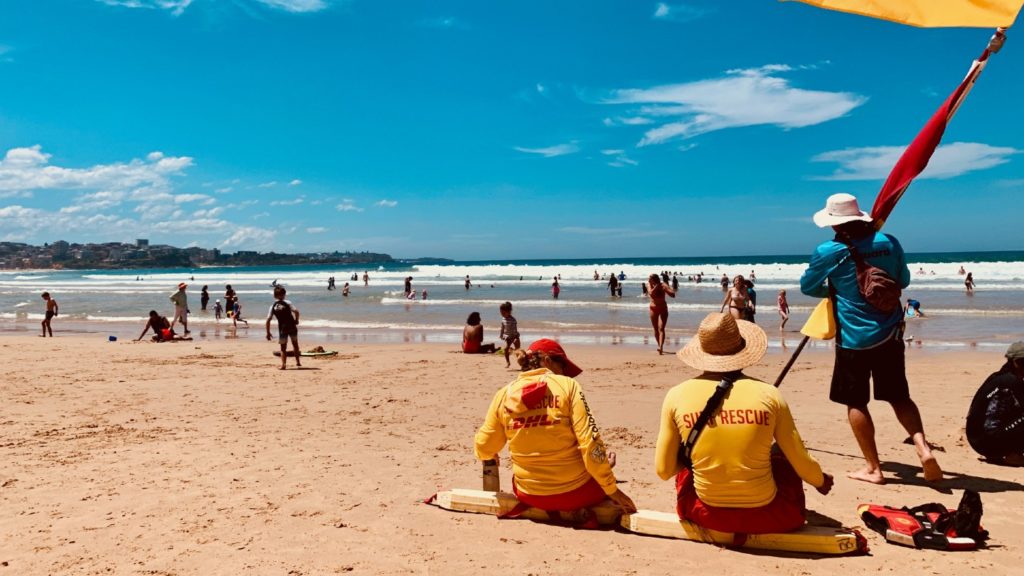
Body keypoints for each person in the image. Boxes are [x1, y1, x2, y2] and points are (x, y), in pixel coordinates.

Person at [800, 193, 941, 484]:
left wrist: (837, 290)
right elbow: (902, 281)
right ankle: (923, 447)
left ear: (834, 223)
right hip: (890, 333)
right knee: (899, 396)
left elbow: (808, 287)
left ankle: (874, 468)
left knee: (856, 402)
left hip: (853, 338)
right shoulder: (889, 242)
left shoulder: (828, 250)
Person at [655, 313, 833, 533]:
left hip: (704, 514)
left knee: (687, 464)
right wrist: (821, 481)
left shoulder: (676, 395)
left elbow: (663, 470)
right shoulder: (769, 394)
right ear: (742, 350)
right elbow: (802, 462)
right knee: (780, 454)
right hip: (770, 517)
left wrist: (695, 457)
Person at [475, 339, 636, 520]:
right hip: (576, 493)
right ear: (548, 361)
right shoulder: (568, 386)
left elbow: (484, 444)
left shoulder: (504, 394)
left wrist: (488, 456)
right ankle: (601, 471)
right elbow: (589, 442)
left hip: (528, 493)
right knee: (597, 465)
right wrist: (610, 487)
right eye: (563, 367)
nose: (565, 374)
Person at [966, 342, 1024, 466]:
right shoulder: (1012, 381)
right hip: (988, 443)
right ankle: (1013, 455)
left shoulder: (998, 377)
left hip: (977, 439)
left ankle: (1007, 452)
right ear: (1016, 362)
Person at [266, 286, 301, 370]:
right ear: (284, 295)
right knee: (295, 344)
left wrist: (268, 332)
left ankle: (283, 365)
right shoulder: (288, 303)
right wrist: (296, 320)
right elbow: (296, 311)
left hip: (282, 328)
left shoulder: (273, 306)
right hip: (292, 326)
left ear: (274, 296)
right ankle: (298, 362)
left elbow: (268, 320)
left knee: (283, 348)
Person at [647, 273, 676, 355]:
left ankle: (661, 347)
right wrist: (657, 286)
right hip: (653, 309)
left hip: (663, 308)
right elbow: (651, 293)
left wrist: (666, 289)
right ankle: (659, 345)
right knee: (656, 329)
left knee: (661, 328)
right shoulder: (649, 284)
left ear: (654, 279)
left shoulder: (663, 285)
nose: (648, 280)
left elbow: (673, 295)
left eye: (650, 278)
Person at [499, 301, 521, 368]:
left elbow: (515, 330)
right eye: (501, 312)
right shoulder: (503, 319)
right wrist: (501, 334)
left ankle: (521, 362)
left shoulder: (513, 320)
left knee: (518, 350)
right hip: (508, 337)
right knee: (506, 349)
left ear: (509, 312)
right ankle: (508, 362)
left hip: (514, 336)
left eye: (503, 313)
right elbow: (502, 327)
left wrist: (516, 338)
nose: (502, 314)